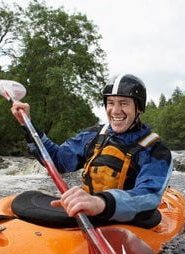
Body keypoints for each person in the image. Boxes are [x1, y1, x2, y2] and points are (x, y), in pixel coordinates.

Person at [11, 73, 172, 228]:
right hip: (91, 213)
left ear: (139, 108)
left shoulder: (156, 150)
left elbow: (149, 196)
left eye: (123, 103)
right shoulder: (93, 135)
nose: (115, 110)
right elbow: (57, 161)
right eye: (111, 103)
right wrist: (28, 125)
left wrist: (100, 202)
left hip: (128, 220)